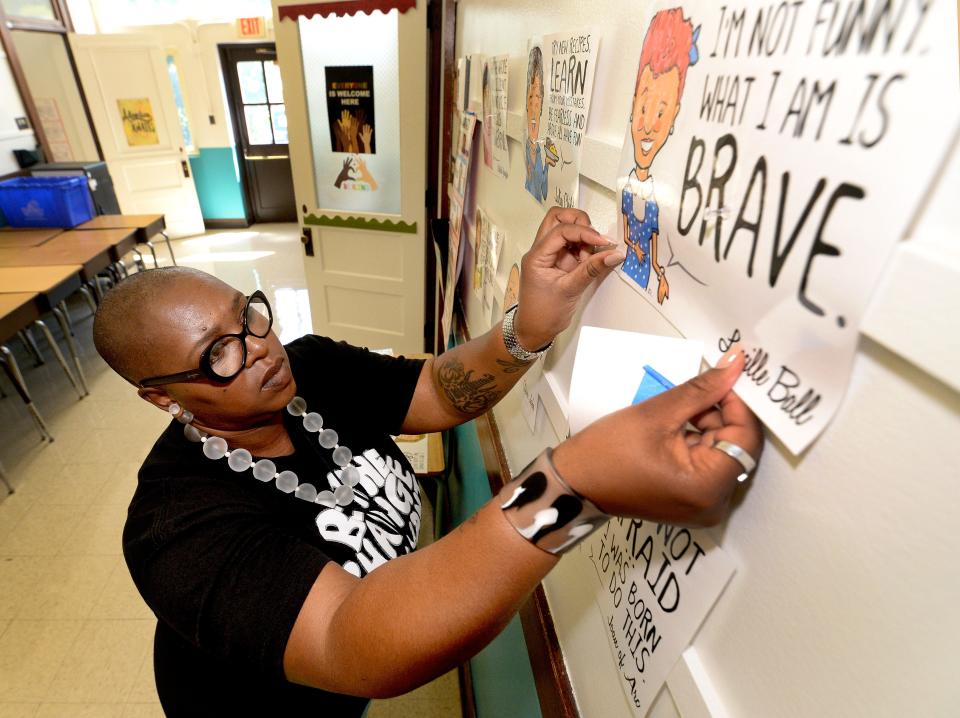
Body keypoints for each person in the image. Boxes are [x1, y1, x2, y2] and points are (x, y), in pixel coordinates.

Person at [93, 207, 762, 715]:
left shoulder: (307, 367)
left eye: (250, 315)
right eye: (219, 354)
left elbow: (436, 391)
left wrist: (527, 326)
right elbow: (346, 642)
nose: (259, 349)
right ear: (162, 398)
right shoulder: (176, 528)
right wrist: (570, 488)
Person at [621, 8, 699, 305]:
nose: (649, 125)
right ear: (633, 103)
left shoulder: (653, 203)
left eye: (661, 112)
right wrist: (633, 248)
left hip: (642, 276)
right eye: (643, 108)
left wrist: (660, 274)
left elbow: (654, 253)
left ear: (674, 116)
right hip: (628, 266)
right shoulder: (627, 192)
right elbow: (627, 235)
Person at [524, 45, 556, 202]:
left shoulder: (538, 150)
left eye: (539, 97)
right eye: (531, 97)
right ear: (526, 104)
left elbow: (543, 192)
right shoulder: (526, 146)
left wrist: (548, 164)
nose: (535, 106)